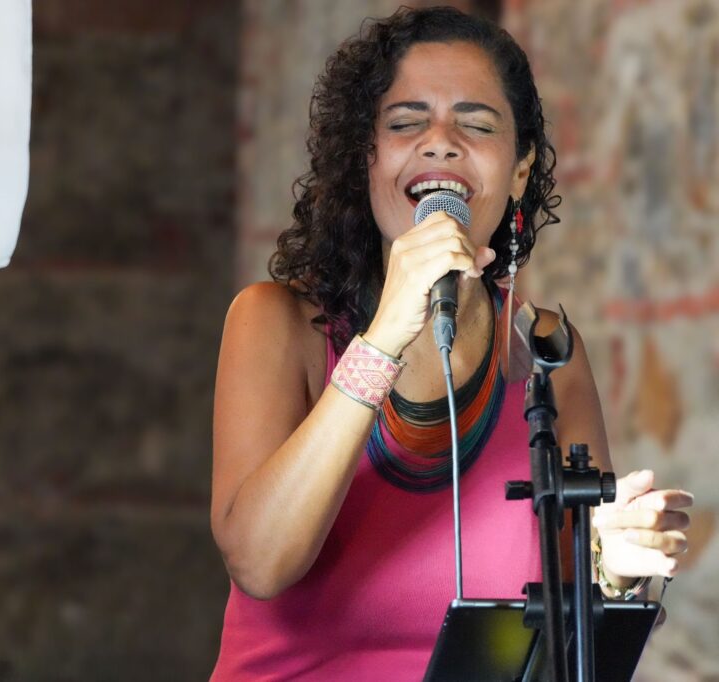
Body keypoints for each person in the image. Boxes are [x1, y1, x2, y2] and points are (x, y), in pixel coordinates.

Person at [209, 7, 693, 680]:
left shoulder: (546, 353)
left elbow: (568, 627)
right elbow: (260, 564)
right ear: (365, 159)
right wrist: (386, 333)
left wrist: (613, 567)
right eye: (405, 122)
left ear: (519, 171)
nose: (440, 142)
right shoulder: (274, 324)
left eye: (478, 124)